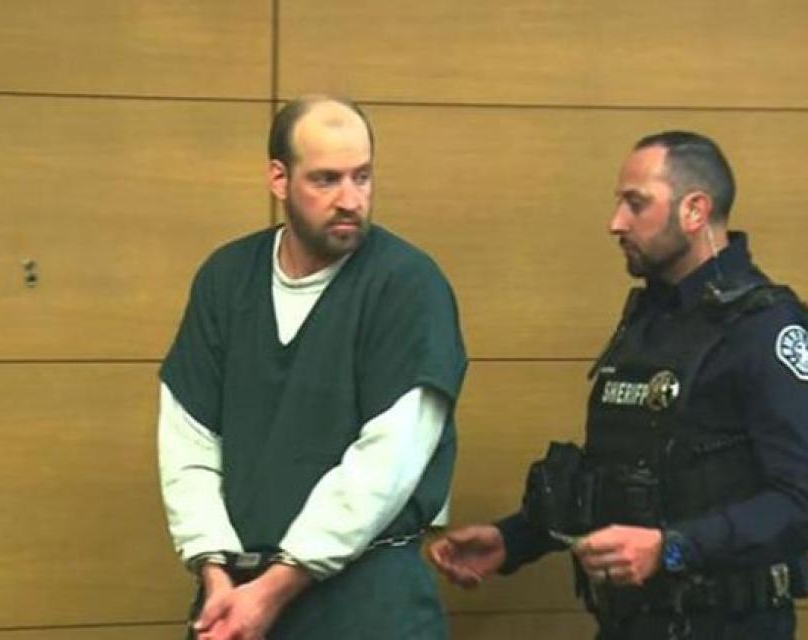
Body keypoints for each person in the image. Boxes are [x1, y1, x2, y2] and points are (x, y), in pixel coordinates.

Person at [428, 131, 808, 639]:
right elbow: (626, 476)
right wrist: (516, 539)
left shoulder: (764, 328)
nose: (616, 222)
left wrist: (672, 548)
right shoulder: (650, 320)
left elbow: (799, 500)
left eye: (636, 203)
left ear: (694, 210)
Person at [158, 94, 467, 640]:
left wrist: (275, 588)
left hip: (367, 601)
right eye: (326, 180)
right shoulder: (227, 278)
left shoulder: (407, 285)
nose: (350, 199)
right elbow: (189, 441)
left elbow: (385, 466)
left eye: (362, 177)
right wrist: (213, 569)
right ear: (279, 179)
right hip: (235, 594)